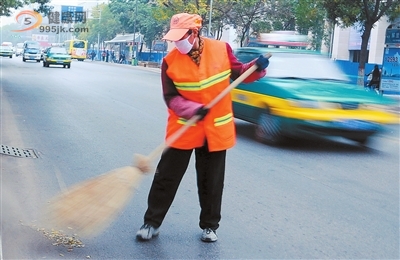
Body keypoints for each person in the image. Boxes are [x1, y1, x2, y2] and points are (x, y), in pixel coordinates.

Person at [136, 13, 270, 243]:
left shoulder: (221, 49)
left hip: (215, 130)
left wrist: (256, 68)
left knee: (211, 181)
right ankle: (151, 223)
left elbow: (240, 73)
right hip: (184, 127)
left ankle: (210, 226)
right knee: (165, 178)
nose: (177, 43)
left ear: (194, 33)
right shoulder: (170, 61)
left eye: (181, 37)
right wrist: (191, 109)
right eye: (174, 38)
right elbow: (171, 97)